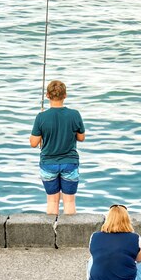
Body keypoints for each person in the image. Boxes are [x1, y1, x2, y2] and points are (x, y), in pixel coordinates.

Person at [29, 80, 85, 214]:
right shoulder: (74, 114)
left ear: (47, 95)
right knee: (69, 201)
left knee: (52, 201)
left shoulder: (41, 117)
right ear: (65, 95)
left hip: (48, 163)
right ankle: (70, 233)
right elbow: (81, 138)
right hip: (69, 162)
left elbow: (33, 143)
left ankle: (52, 233)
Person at [87, 204, 141, 280]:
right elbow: (140, 259)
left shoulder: (94, 236)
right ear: (126, 219)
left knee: (91, 260)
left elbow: (95, 254)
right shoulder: (135, 238)